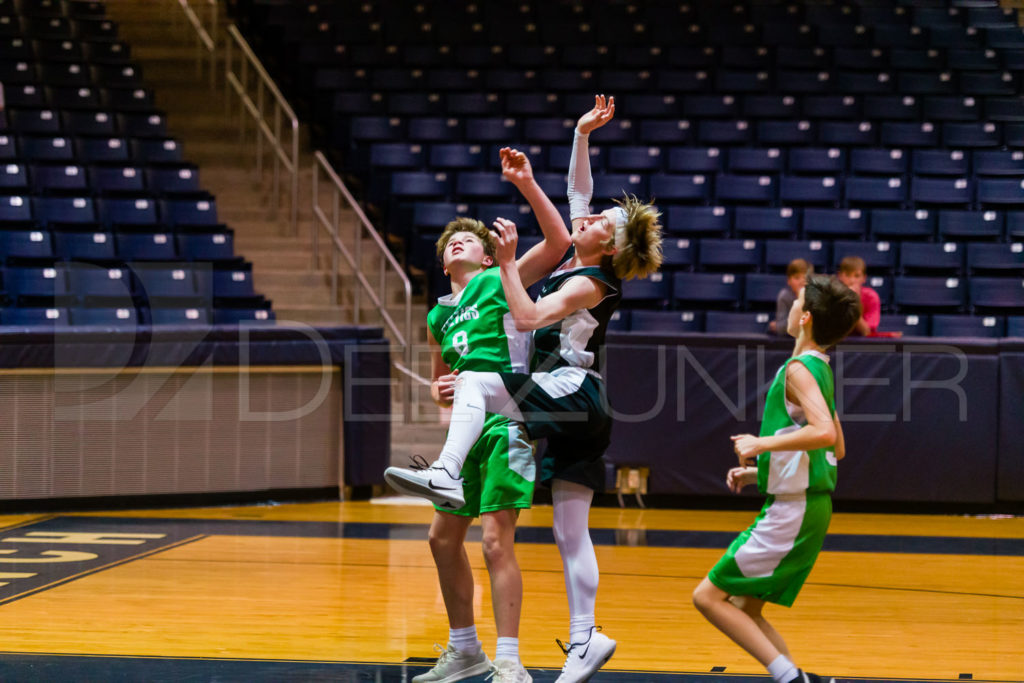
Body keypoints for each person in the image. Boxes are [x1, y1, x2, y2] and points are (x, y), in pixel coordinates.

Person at [386, 94, 664, 683]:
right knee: (569, 530)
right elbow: (578, 196)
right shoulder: (580, 259)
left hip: (571, 390)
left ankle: (445, 471)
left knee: (484, 385)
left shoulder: (590, 280)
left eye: (598, 225)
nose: (586, 218)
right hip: (565, 405)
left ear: (608, 247)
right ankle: (584, 637)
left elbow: (533, 315)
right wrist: (582, 135)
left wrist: (509, 264)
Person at [396, 148, 574, 683]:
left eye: (469, 237)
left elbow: (561, 243)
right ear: (444, 262)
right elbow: (438, 385)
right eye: (451, 241)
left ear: (486, 250)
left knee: (496, 541)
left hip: (509, 421)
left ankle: (512, 660)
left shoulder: (502, 277)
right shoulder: (436, 315)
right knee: (440, 539)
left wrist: (525, 183)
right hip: (466, 432)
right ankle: (464, 649)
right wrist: (439, 389)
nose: (458, 241)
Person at [691, 274, 861, 683]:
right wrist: (759, 475)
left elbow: (825, 435)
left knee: (708, 597)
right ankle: (794, 678)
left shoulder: (799, 370)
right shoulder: (820, 367)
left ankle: (791, 678)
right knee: (746, 608)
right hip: (806, 505)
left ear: (805, 318)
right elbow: (835, 450)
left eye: (796, 302)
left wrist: (759, 444)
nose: (789, 308)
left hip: (795, 512)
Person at [835, 256, 880, 336]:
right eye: (847, 275)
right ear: (840, 276)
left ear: (864, 278)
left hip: (863, 345)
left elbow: (866, 332)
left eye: (857, 276)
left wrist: (855, 304)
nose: (852, 280)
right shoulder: (832, 295)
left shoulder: (871, 297)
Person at [769, 259, 812, 335]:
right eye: (797, 277)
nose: (802, 281)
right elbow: (781, 328)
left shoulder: (816, 296)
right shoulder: (784, 296)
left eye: (806, 278)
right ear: (788, 281)